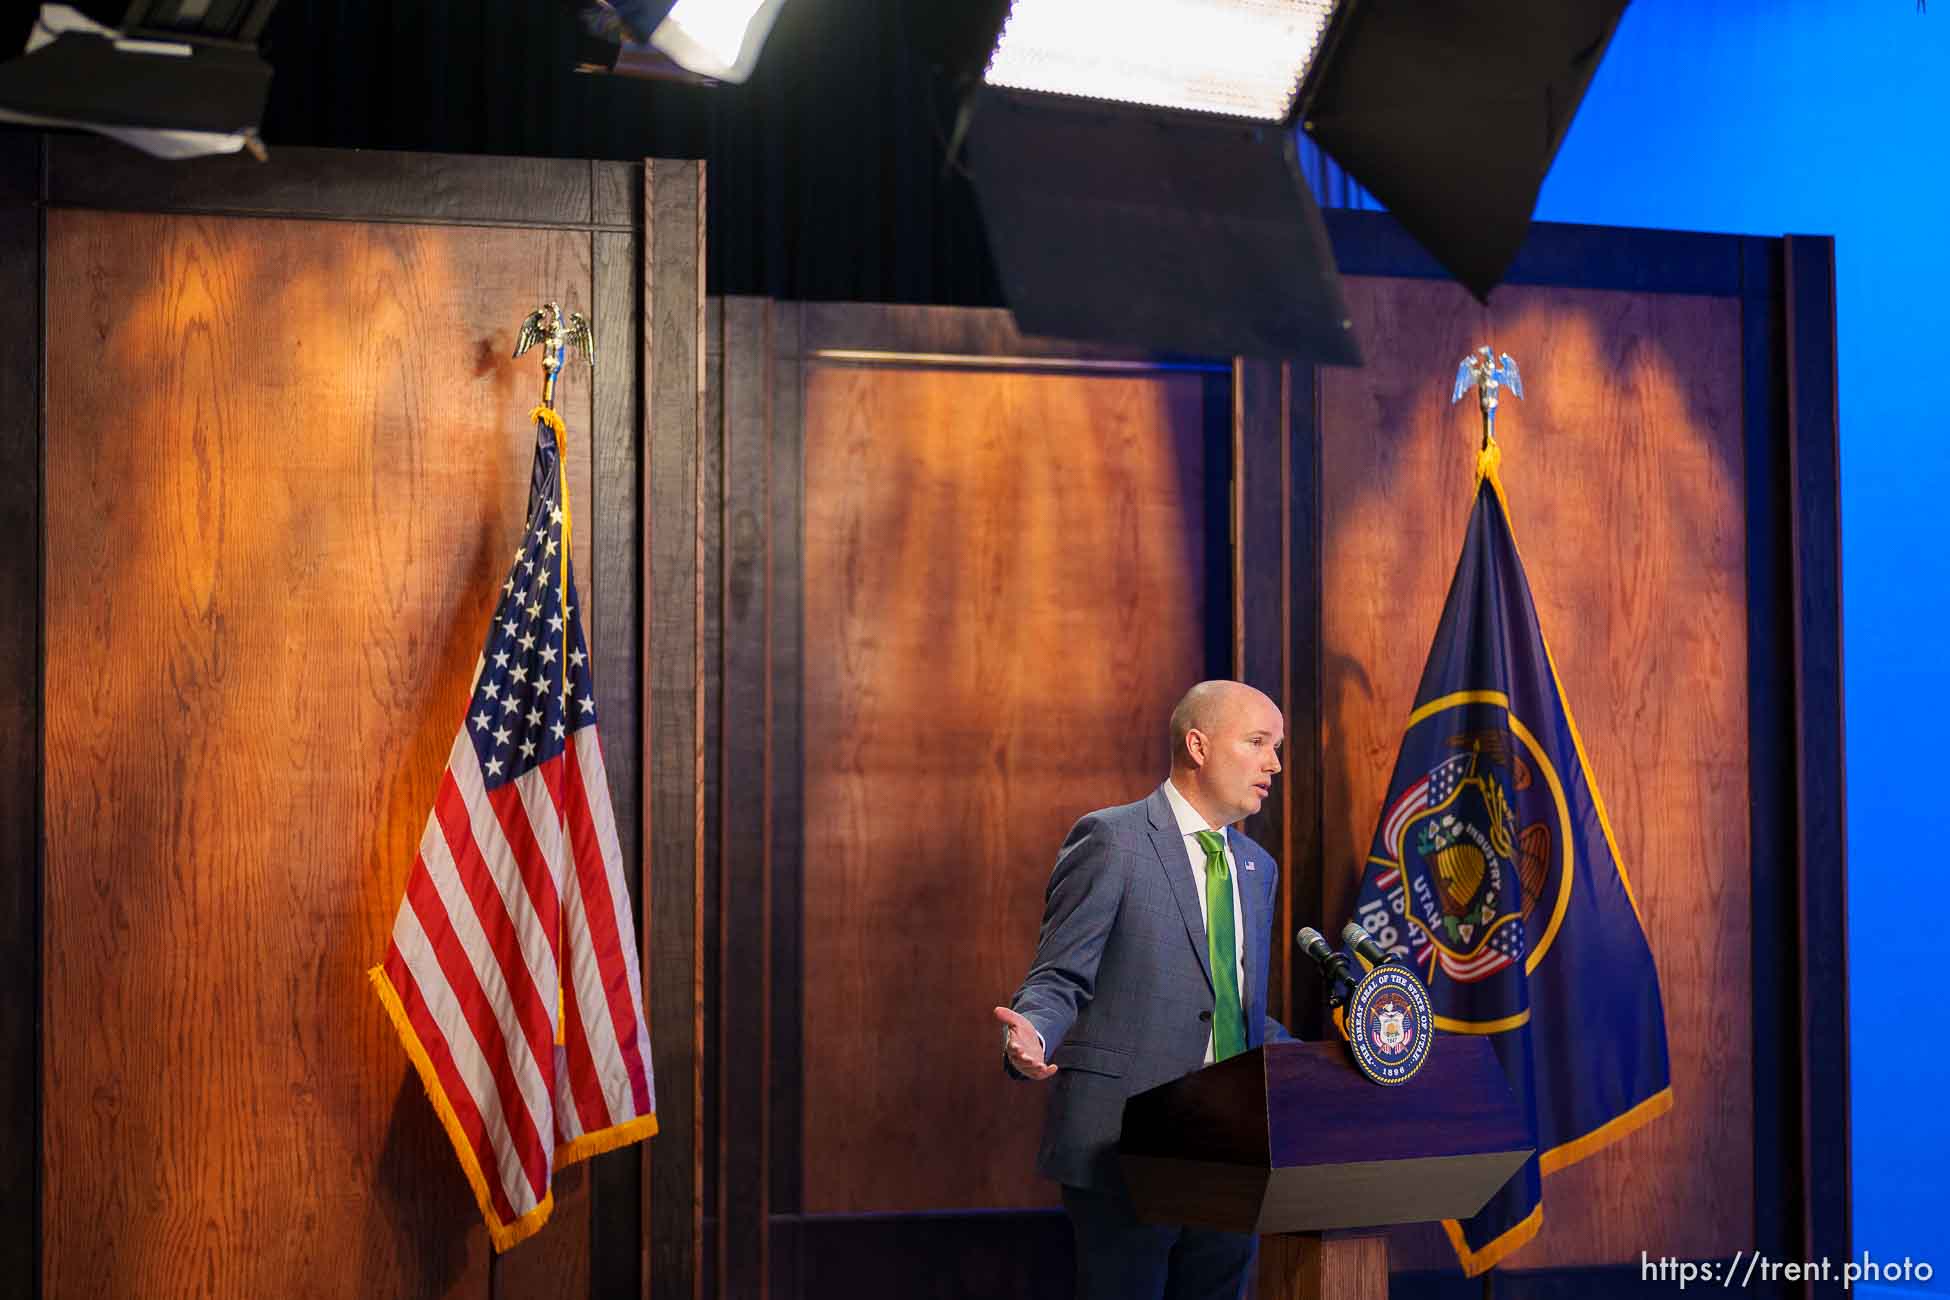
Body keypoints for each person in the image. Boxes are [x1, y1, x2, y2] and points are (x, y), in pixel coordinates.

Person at [995, 679, 1295, 1300]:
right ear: (1199, 745)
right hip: (1125, 1144)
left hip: (1232, 1148)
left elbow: (1231, 1007)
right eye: (1259, 742)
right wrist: (1031, 1031)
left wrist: (1317, 1061)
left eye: (1278, 747)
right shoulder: (1113, 839)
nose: (1275, 764)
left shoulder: (1256, 867)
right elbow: (1060, 975)